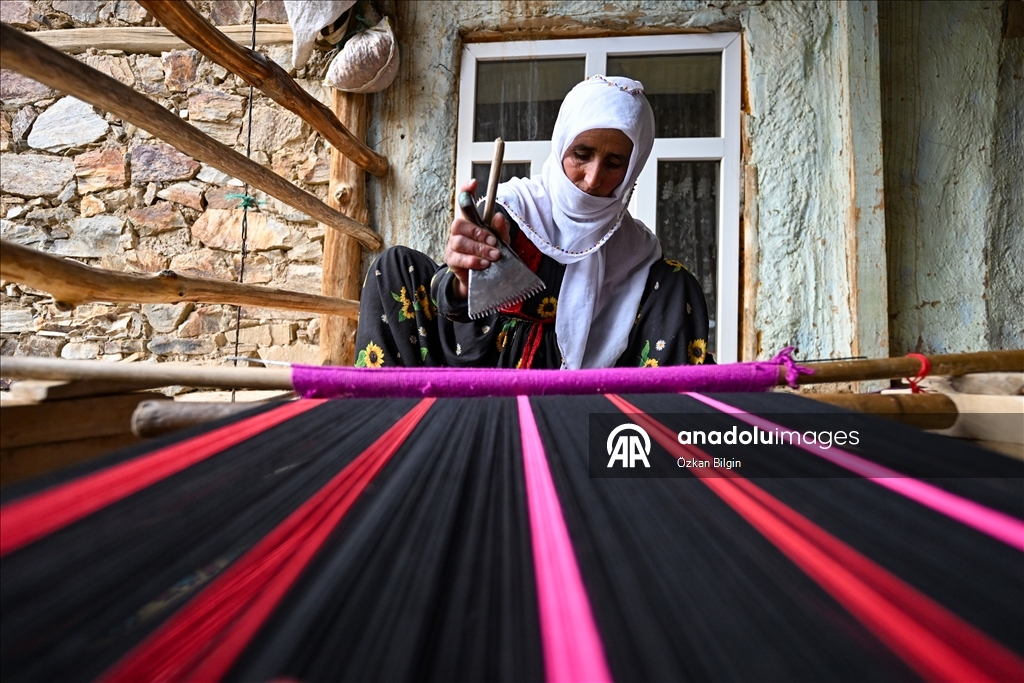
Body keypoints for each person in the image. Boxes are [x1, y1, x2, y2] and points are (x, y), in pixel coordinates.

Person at [354, 75, 713, 370]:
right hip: (480, 366)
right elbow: (452, 304)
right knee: (394, 266)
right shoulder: (512, 211)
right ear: (560, 148)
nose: (592, 178)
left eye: (615, 163)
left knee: (677, 284)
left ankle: (643, 446)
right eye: (582, 155)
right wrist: (465, 280)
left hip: (585, 395)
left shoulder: (636, 255)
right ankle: (392, 429)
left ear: (633, 167)